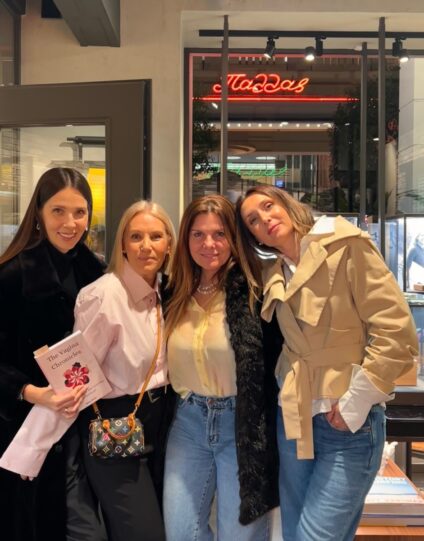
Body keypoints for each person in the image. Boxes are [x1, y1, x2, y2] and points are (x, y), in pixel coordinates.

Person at [235, 185, 419, 541]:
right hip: (293, 420)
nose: (265, 219)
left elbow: (397, 333)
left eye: (269, 206)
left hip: (347, 423)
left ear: (287, 204)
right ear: (253, 236)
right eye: (253, 220)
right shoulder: (274, 272)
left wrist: (356, 402)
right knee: (294, 534)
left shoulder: (346, 245)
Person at [0, 200, 176, 541]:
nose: (146, 246)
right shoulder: (104, 296)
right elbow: (74, 378)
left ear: (169, 243)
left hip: (161, 427)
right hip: (115, 430)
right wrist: (32, 449)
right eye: (135, 236)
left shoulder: (165, 291)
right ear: (122, 245)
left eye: (156, 236)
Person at [162, 195, 279, 541]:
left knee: (239, 534)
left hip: (241, 423)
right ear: (185, 239)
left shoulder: (255, 290)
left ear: (234, 238)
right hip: (188, 421)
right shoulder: (172, 292)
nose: (208, 244)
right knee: (181, 531)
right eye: (198, 234)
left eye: (219, 234)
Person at [0, 167, 105, 541]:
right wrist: (32, 392)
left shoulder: (97, 274)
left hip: (84, 425)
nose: (70, 223)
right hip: (26, 427)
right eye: (58, 211)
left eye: (79, 212)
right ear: (39, 214)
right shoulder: (12, 275)